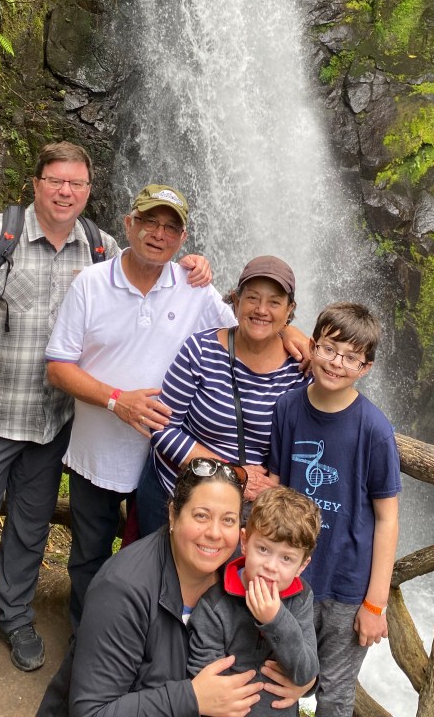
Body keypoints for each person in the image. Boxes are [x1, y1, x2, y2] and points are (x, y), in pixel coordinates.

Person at [0, 148, 210, 717]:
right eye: (56, 180)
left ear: (89, 191)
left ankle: (15, 619)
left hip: (57, 424)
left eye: (77, 183)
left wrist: (202, 271)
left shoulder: (99, 246)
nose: (66, 192)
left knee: (30, 531)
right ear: (36, 183)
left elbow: (166, 289)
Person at [44, 183, 236, 629]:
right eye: (149, 221)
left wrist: (292, 334)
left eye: (170, 227)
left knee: (160, 560)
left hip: (166, 463)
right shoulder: (91, 284)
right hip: (97, 456)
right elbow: (58, 367)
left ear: (182, 239)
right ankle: (86, 642)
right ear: (128, 224)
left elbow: (245, 334)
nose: (158, 234)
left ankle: (147, 647)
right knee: (89, 556)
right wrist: (117, 401)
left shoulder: (194, 287)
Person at [55, 458, 312, 717]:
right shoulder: (121, 590)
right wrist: (191, 698)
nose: (215, 533)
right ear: (173, 513)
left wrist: (305, 681)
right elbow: (91, 711)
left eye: (228, 520)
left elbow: (302, 632)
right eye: (201, 515)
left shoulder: (248, 566)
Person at [268, 302, 401, 717]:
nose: (336, 363)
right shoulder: (287, 409)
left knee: (337, 695)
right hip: (290, 577)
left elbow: (388, 518)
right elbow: (275, 489)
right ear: (312, 346)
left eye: (350, 357)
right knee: (279, 677)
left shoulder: (374, 430)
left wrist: (375, 604)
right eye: (328, 349)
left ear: (366, 367)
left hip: (347, 587)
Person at [137, 255, 308, 536]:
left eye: (274, 302)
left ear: (290, 310)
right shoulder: (200, 350)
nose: (261, 309)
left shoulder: (301, 370)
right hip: (177, 498)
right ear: (236, 301)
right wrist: (233, 473)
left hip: (245, 516)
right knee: (160, 566)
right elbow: (163, 428)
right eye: (252, 298)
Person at [187, 485, 321, 716]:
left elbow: (306, 673)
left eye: (287, 558)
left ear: (302, 566)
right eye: (263, 549)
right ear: (245, 542)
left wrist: (276, 620)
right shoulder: (215, 606)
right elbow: (205, 684)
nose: (271, 566)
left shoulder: (300, 597)